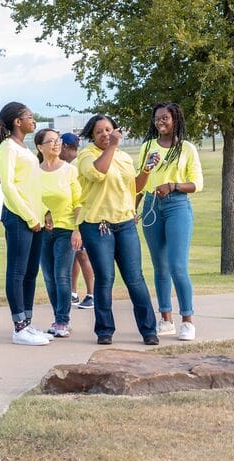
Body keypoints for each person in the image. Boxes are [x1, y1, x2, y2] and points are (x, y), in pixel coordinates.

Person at [76, 114, 159, 346]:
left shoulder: (124, 157)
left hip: (125, 224)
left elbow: (134, 188)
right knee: (105, 278)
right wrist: (111, 146)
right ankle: (105, 331)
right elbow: (98, 173)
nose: (105, 134)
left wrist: (146, 170)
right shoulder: (85, 156)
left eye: (108, 130)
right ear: (92, 135)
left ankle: (149, 330)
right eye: (99, 131)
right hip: (97, 225)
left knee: (135, 279)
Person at [136, 102, 203, 341]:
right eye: (157, 119)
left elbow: (197, 184)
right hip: (152, 205)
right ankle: (166, 319)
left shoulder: (186, 148)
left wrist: (173, 185)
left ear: (175, 119)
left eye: (165, 118)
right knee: (160, 267)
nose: (160, 122)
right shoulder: (147, 147)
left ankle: (187, 320)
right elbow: (138, 185)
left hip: (177, 205)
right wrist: (133, 207)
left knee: (177, 266)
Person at [0, 102, 51, 346]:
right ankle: (19, 328)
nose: (33, 119)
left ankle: (27, 323)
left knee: (30, 272)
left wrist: (44, 212)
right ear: (17, 121)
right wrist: (29, 216)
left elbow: (32, 185)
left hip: (35, 218)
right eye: (29, 116)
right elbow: (8, 186)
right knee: (17, 272)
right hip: (19, 218)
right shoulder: (7, 147)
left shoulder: (24, 148)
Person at [35, 128, 82, 338]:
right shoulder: (34, 172)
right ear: (39, 147)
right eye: (50, 141)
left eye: (58, 140)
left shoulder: (69, 170)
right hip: (42, 231)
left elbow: (79, 202)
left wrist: (77, 230)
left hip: (66, 229)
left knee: (61, 275)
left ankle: (63, 320)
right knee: (48, 277)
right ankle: (58, 318)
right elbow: (31, 199)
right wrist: (44, 213)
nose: (56, 144)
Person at [60, 132, 95, 310]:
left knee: (82, 255)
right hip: (71, 216)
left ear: (65, 146)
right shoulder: (71, 162)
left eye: (60, 146)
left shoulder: (74, 164)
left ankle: (91, 294)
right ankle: (73, 293)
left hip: (79, 215)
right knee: (74, 256)